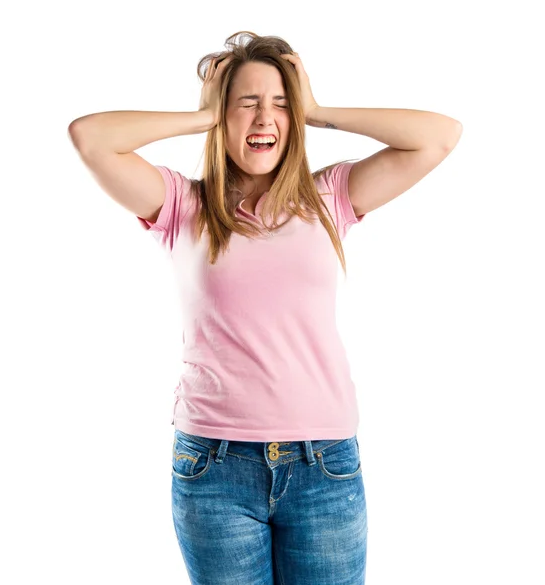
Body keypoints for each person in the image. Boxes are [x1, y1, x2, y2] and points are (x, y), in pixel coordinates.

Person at [68, 31, 462, 585]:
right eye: (246, 103)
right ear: (221, 116)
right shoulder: (182, 204)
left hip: (323, 465)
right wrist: (199, 115)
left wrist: (319, 111)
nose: (264, 118)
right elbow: (89, 138)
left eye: (280, 103)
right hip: (214, 468)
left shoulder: (329, 197)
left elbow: (439, 137)